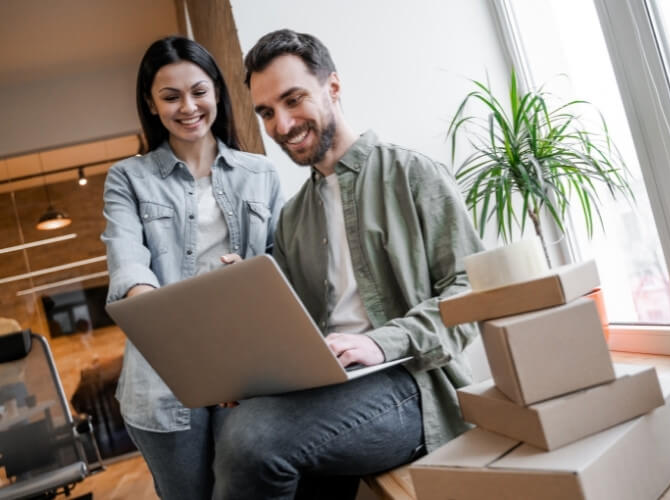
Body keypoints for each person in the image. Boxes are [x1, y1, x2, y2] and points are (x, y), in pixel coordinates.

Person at [213, 29, 484, 499]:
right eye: (266, 112)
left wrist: (383, 343)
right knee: (243, 427)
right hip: (330, 385)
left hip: (410, 382)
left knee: (250, 440)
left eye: (293, 99)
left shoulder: (412, 174)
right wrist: (250, 366)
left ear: (332, 87)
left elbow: (471, 291)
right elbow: (295, 323)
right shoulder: (293, 216)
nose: (281, 125)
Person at [101, 36, 283, 500]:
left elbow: (285, 268)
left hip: (246, 374)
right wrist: (200, 364)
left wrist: (255, 280)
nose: (188, 107)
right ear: (151, 103)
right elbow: (130, 274)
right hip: (163, 381)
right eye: (170, 96)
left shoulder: (260, 173)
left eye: (199, 91)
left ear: (218, 92)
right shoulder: (128, 178)